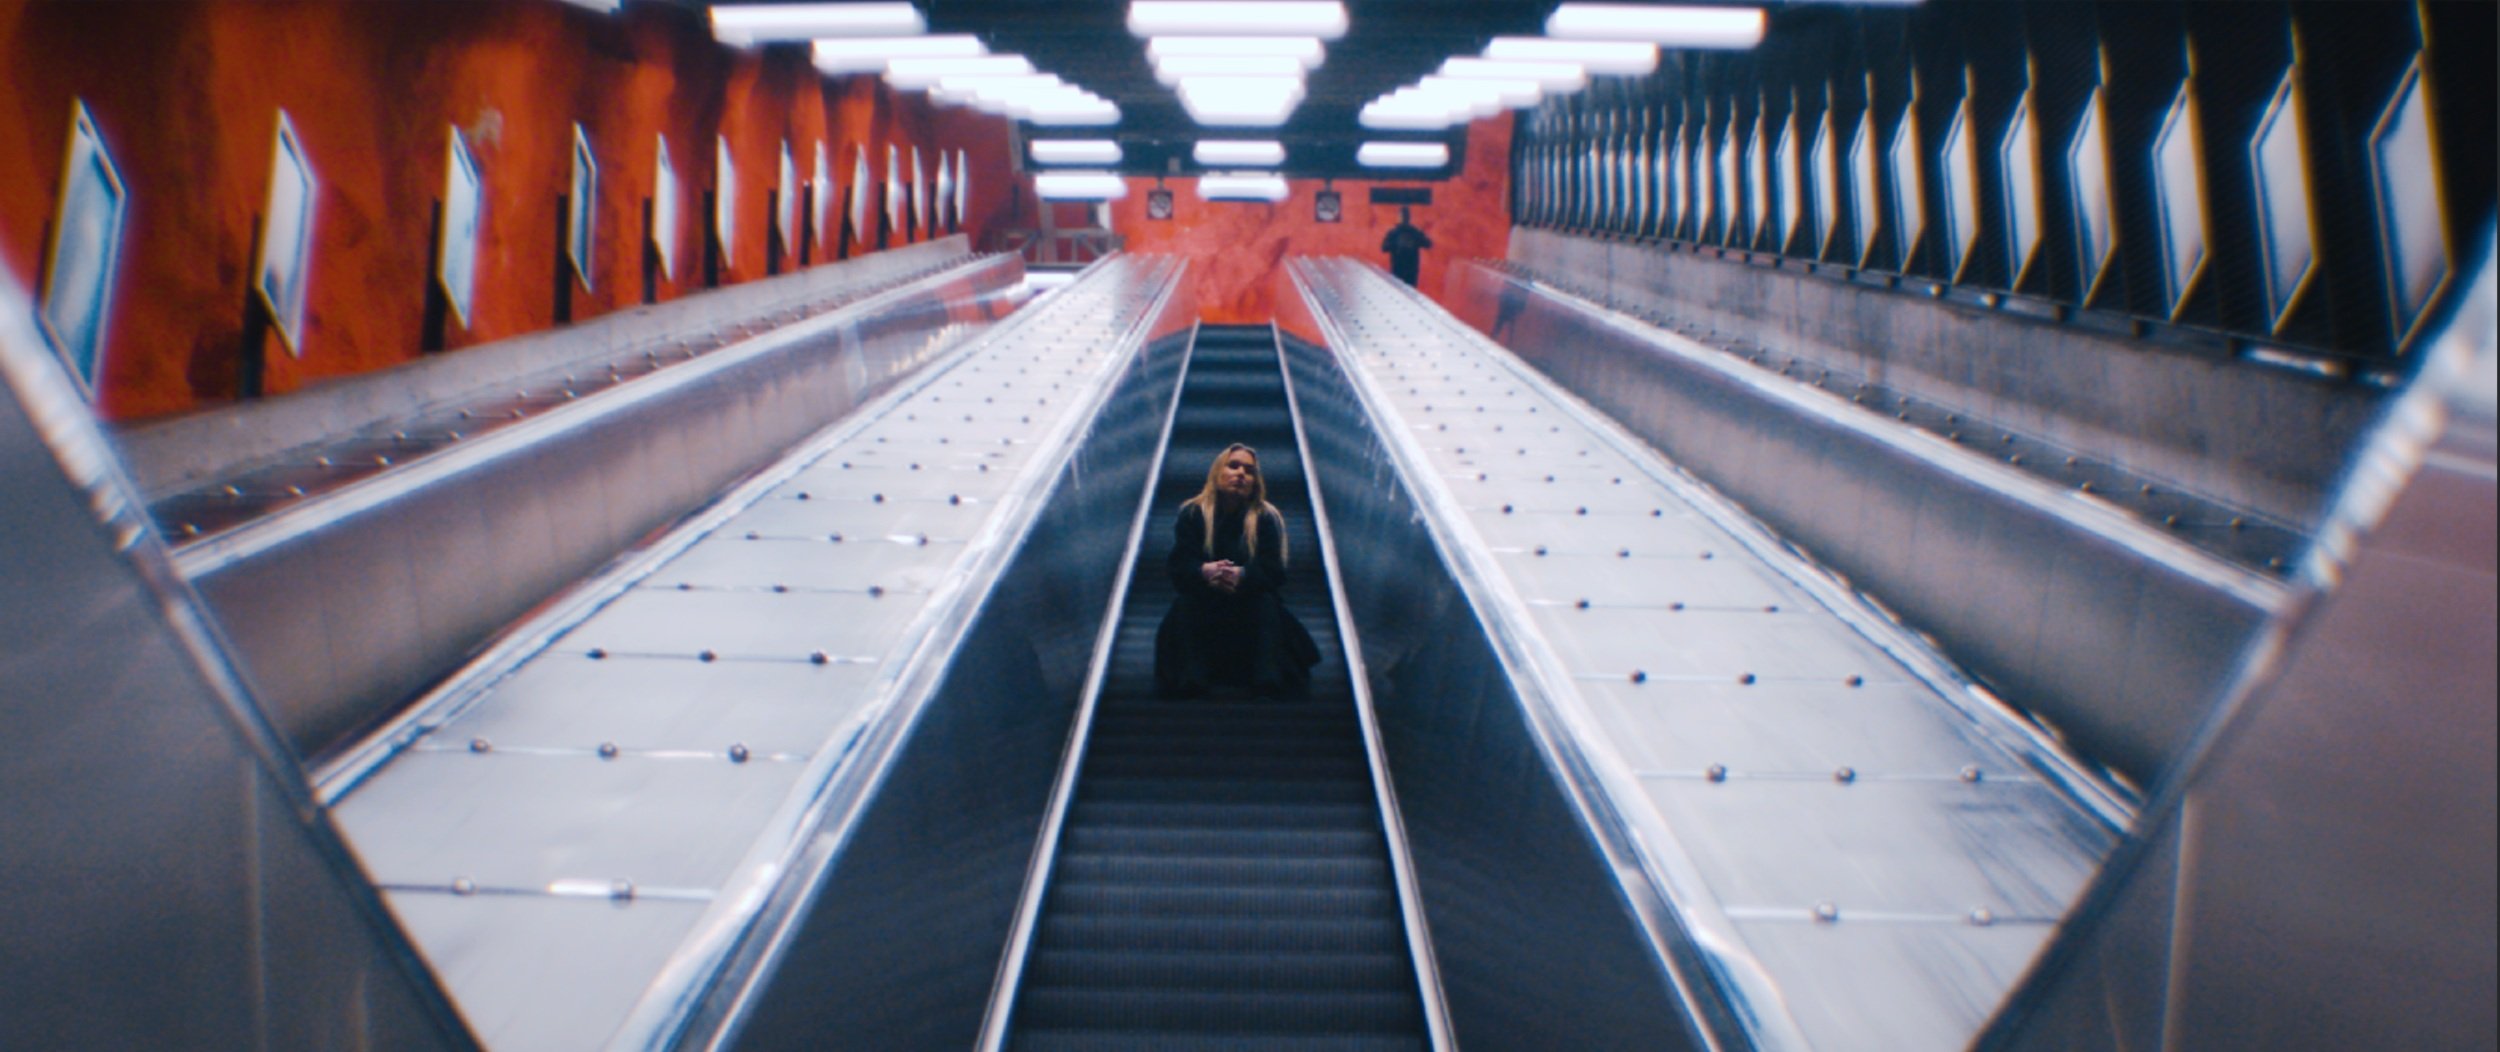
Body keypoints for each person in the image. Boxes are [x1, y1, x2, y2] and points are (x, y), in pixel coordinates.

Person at [1154, 444, 1320, 698]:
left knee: (1266, 603)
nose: (1241, 474)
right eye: (1233, 466)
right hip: (1205, 604)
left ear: (1255, 481)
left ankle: (1267, 680)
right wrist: (1206, 572)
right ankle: (1191, 680)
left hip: (1249, 607)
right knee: (1186, 604)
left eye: (1249, 470)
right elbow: (1179, 567)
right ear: (1217, 472)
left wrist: (1240, 576)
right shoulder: (1193, 513)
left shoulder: (1265, 517)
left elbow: (1274, 572)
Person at [1380, 206, 1433, 287]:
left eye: (1404, 216)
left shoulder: (1399, 233)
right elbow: (1384, 248)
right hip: (1403, 273)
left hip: (1405, 273)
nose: (1403, 218)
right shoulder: (1409, 232)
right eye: (1402, 216)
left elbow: (1428, 244)